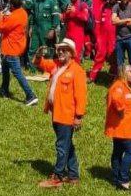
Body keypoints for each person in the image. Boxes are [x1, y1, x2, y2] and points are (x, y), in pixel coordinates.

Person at [33, 38, 86, 188]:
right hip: (56, 113)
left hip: (66, 116)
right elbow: (39, 63)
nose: (60, 52)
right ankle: (73, 175)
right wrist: (38, 55)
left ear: (71, 53)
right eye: (59, 49)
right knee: (67, 144)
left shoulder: (77, 71)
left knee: (62, 146)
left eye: (64, 49)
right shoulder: (56, 65)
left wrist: (78, 117)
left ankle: (57, 176)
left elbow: (81, 96)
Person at [0, 0, 37, 106]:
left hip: (11, 50)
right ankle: (4, 91)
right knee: (5, 71)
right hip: (11, 48)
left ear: (13, 6)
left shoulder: (14, 17)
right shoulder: (22, 12)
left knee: (18, 74)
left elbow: (1, 28)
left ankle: (31, 95)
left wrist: (1, 16)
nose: (8, 6)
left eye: (10, 5)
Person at [106, 64, 131, 190]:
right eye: (130, 71)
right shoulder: (119, 86)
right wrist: (120, 109)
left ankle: (116, 178)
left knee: (118, 152)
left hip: (122, 127)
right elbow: (116, 99)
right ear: (122, 73)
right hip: (123, 128)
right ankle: (123, 178)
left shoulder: (125, 86)